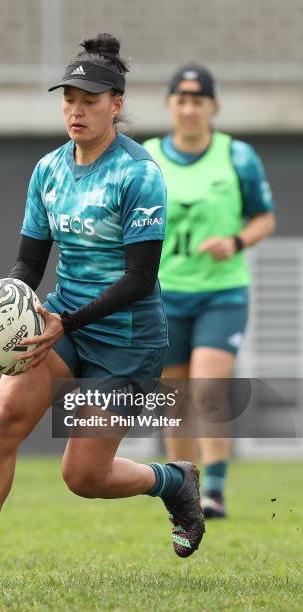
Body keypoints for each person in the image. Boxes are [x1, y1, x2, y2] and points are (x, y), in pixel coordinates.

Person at [0, 35, 204, 587]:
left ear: (116, 105)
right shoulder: (48, 170)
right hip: (62, 323)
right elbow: (30, 262)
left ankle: (173, 481)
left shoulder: (139, 173)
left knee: (83, 476)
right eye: (69, 98)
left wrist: (63, 323)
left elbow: (140, 279)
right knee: (5, 417)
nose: (77, 109)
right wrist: (3, 298)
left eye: (91, 100)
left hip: (125, 340)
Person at [143, 63, 276, 519]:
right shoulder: (148, 156)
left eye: (198, 101)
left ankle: (215, 488)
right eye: (181, 100)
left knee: (208, 387)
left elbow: (264, 218)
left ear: (213, 106)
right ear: (170, 105)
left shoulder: (237, 156)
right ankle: (186, 489)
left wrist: (236, 241)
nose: (189, 109)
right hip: (164, 295)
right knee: (174, 399)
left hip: (222, 293)